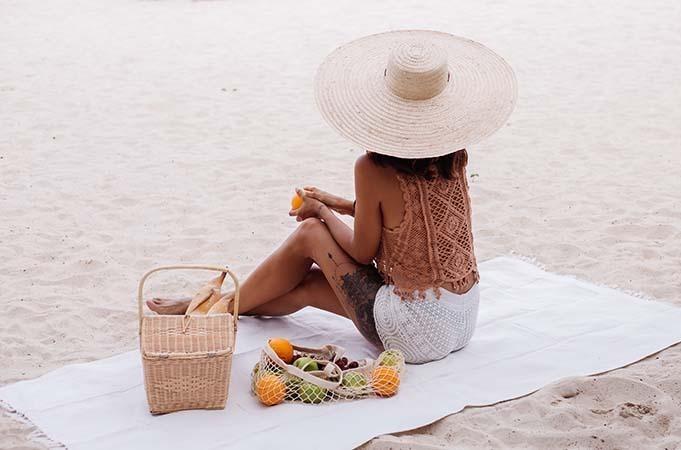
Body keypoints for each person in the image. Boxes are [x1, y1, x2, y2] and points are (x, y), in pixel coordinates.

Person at [148, 30, 516, 363]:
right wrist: (338, 203)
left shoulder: (372, 168)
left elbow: (361, 252)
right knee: (306, 286)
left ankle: (208, 305)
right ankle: (214, 309)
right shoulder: (453, 156)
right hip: (462, 317)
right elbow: (407, 226)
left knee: (310, 233)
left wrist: (322, 211)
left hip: (414, 333)